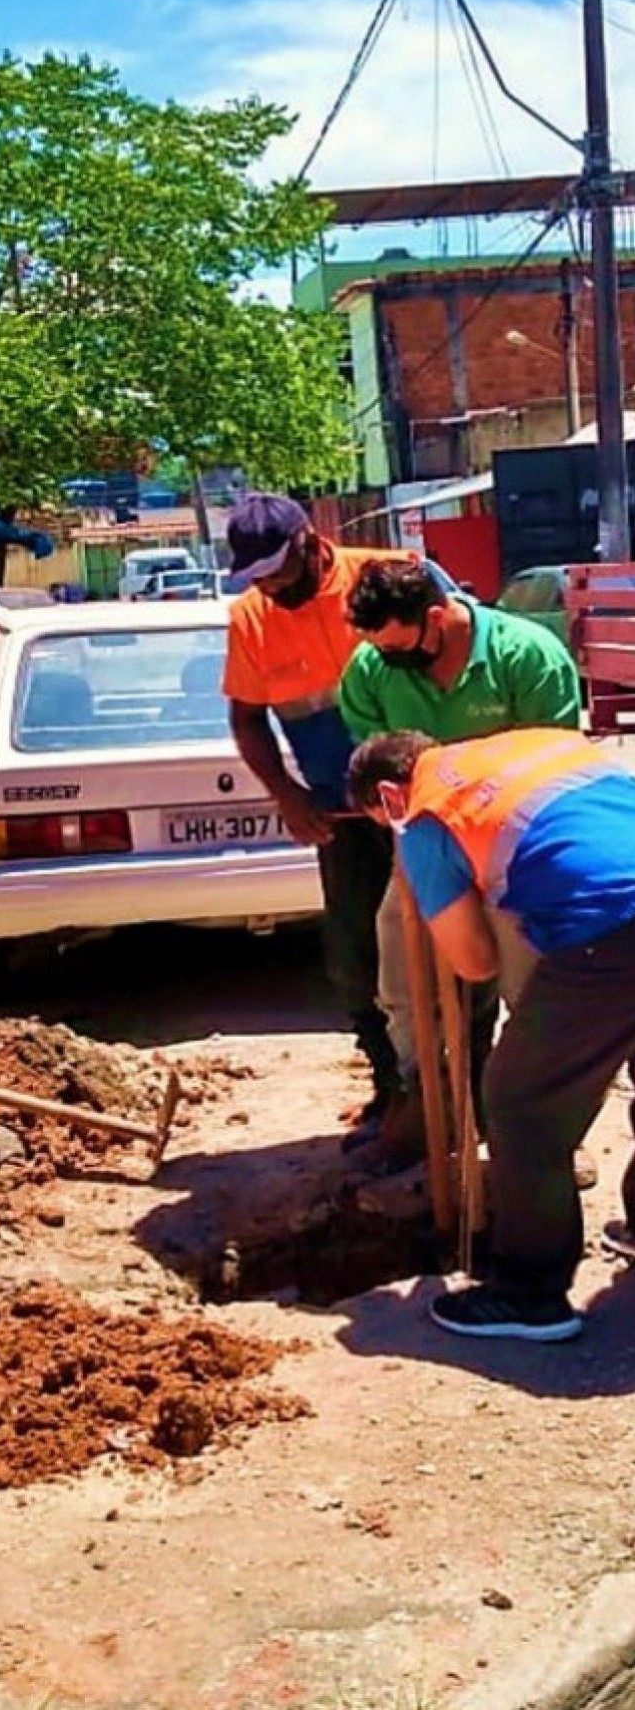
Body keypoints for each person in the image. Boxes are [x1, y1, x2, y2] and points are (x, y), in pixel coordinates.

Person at [346, 726, 635, 1341]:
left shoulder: (425, 816)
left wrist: (441, 883)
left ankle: (531, 1296)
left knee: (521, 1104)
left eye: (380, 822)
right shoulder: (538, 745)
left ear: (390, 796)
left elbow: (475, 962)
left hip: (612, 927)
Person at [338, 558, 582, 1167]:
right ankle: (426, 1104)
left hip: (516, 847)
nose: (387, 660)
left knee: (532, 985)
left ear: (437, 617)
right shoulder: (370, 671)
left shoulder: (526, 655)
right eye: (378, 649)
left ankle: (550, 1137)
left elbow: (556, 766)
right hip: (426, 839)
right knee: (399, 949)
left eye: (400, 647)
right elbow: (382, 774)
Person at [221, 494, 453, 1127]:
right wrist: (287, 795)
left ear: (307, 541)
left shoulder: (385, 575)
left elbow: (460, 650)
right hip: (342, 815)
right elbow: (246, 718)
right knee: (355, 954)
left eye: (276, 568)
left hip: (429, 804)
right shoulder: (251, 619)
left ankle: (469, 1096)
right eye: (256, 575)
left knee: (454, 950)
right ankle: (394, 1092)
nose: (268, 584)